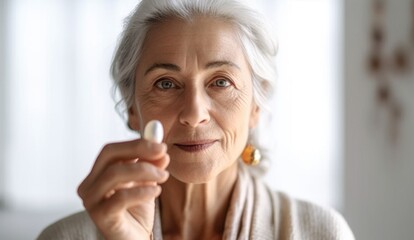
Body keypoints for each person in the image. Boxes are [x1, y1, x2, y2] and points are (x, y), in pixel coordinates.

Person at [38, 0, 355, 239]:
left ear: (256, 104)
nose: (193, 114)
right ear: (132, 106)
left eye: (220, 82)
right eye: (165, 83)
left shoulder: (321, 233)